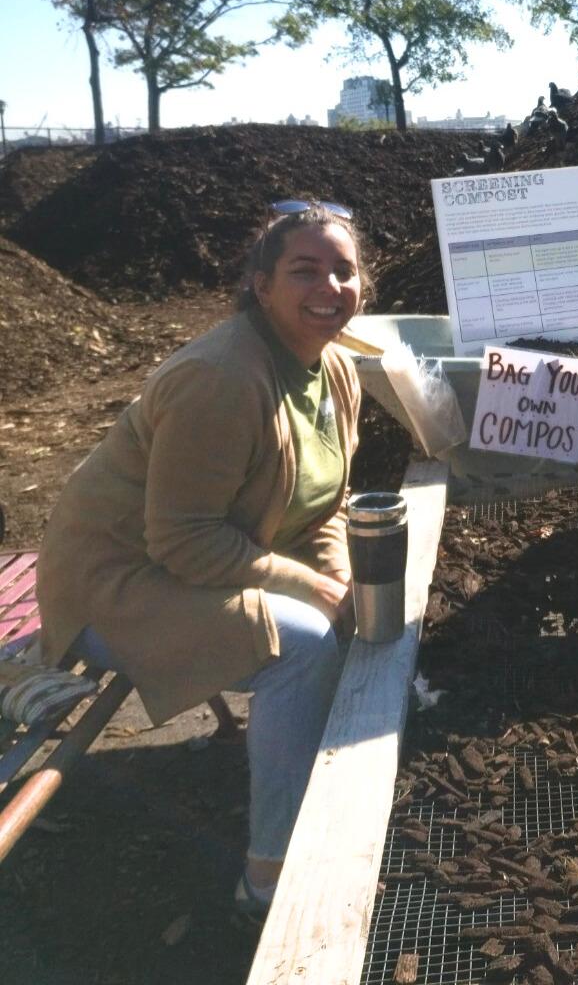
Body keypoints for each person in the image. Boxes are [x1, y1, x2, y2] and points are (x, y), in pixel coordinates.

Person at [36, 202, 365, 916]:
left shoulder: (335, 369)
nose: (330, 286)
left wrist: (336, 575)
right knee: (302, 644)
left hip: (195, 563)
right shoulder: (220, 379)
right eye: (304, 270)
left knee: (346, 607)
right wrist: (313, 591)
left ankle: (319, 796)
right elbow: (182, 539)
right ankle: (269, 876)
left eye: (344, 270)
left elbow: (327, 505)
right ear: (260, 283)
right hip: (117, 582)